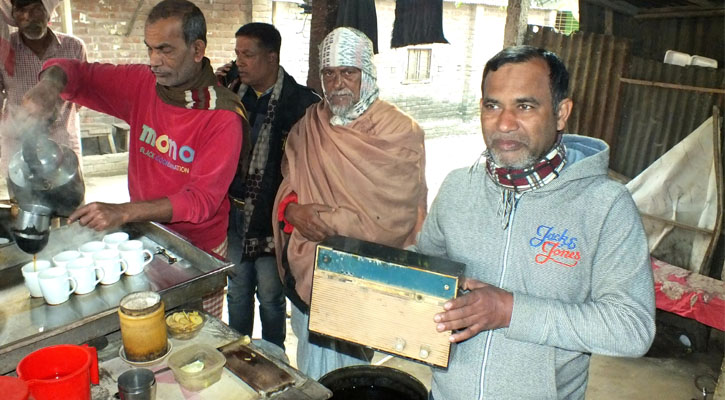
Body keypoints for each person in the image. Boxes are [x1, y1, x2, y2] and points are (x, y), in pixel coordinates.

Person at [412, 46, 656, 399]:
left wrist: (511, 311)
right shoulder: (456, 188)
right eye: (492, 105)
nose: (504, 123)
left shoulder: (605, 206)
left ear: (561, 113)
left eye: (525, 106)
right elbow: (428, 269)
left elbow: (632, 328)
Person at [22, 0, 245, 318]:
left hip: (198, 250)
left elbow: (200, 201)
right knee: (150, 329)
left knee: (193, 338)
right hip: (146, 238)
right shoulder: (143, 84)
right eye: (150, 49)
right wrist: (48, 86)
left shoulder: (222, 116)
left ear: (197, 50)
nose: (154, 61)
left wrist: (124, 211)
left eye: (166, 50)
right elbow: (78, 73)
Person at [272, 27, 428, 379]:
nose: (337, 82)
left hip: (365, 277)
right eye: (329, 73)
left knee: (354, 376)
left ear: (366, 74)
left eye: (348, 72)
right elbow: (288, 185)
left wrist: (331, 223)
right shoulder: (308, 125)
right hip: (310, 266)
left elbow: (398, 216)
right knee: (312, 366)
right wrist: (292, 211)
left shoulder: (399, 131)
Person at [215, 22, 320, 350]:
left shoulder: (301, 104)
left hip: (272, 217)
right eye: (237, 54)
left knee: (272, 297)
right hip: (233, 212)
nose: (240, 61)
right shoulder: (230, 95)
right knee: (237, 291)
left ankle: (274, 357)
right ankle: (237, 352)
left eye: (248, 54)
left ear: (272, 57)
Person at [0, 0, 86, 173]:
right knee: (22, 198)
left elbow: (81, 99)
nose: (27, 17)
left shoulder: (73, 47)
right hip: (18, 147)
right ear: (13, 15)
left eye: (36, 9)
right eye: (21, 10)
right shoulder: (4, 50)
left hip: (62, 144)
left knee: (70, 196)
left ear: (49, 12)